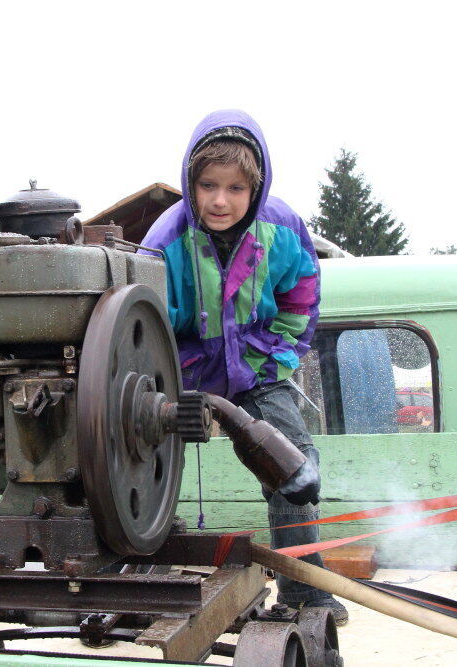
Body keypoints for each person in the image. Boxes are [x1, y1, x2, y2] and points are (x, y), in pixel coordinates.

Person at [140, 109, 347, 625]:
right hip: (182, 373)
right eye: (208, 185)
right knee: (135, 457)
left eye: (235, 188)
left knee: (293, 468)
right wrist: (173, 379)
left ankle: (304, 590)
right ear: (190, 182)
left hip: (257, 370)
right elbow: (146, 324)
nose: (219, 200)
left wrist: (274, 359)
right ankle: (136, 571)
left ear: (257, 188)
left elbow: (300, 301)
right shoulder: (164, 241)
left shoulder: (284, 228)